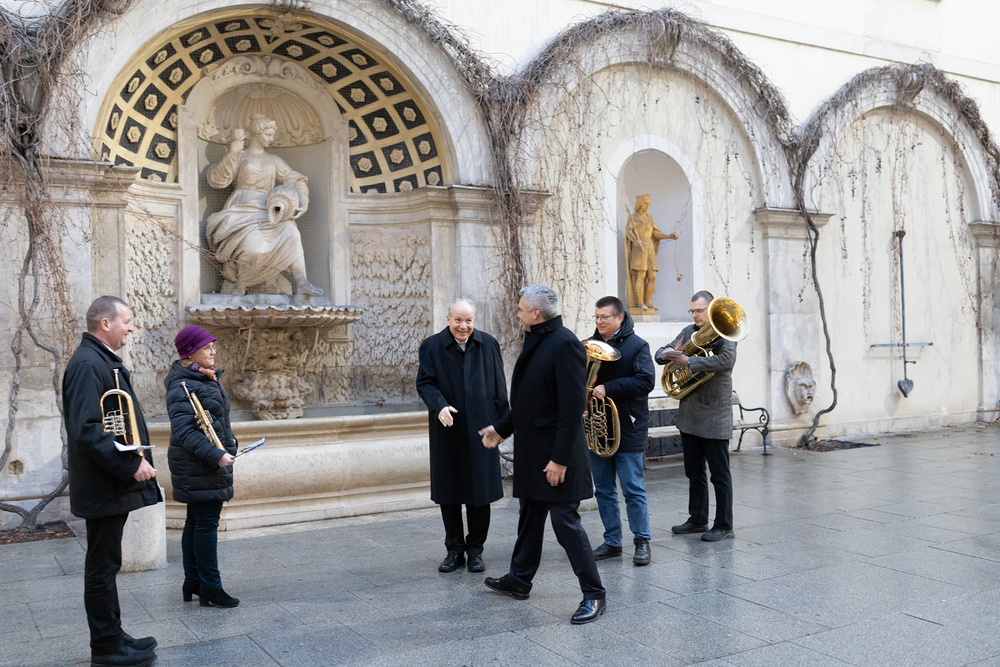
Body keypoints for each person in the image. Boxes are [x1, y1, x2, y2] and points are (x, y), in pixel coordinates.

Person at [480, 285, 606, 625]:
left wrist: (560, 459)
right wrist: (500, 429)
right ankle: (519, 580)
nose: (517, 312)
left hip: (556, 456)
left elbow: (571, 408)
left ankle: (594, 593)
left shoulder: (564, 344)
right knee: (530, 517)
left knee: (565, 524)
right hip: (535, 452)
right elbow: (527, 402)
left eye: (521, 308)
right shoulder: (538, 339)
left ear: (536, 313)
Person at [64, 296, 161, 667]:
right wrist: (130, 463)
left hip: (107, 483)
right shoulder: (89, 363)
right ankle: (105, 647)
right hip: (104, 483)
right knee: (102, 567)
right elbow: (88, 429)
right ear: (105, 323)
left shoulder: (100, 360)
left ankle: (114, 634)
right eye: (127, 320)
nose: (131, 327)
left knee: (108, 563)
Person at [416, 301, 508, 573]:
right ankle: (454, 550)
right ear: (448, 319)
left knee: (480, 492)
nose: (463, 326)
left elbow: (499, 386)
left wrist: (503, 426)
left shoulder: (488, 344)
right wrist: (439, 406)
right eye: (458, 320)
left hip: (483, 429)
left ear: (474, 320)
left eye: (468, 320)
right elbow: (425, 383)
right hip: (448, 429)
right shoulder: (431, 346)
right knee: (450, 492)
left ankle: (476, 551)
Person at [206, 113, 322, 297]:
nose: (271, 139)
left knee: (292, 232)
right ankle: (241, 283)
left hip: (268, 209)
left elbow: (296, 179)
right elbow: (217, 180)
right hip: (242, 207)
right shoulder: (241, 156)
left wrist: (303, 201)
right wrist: (233, 152)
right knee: (251, 244)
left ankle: (302, 281)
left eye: (272, 135)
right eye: (268, 134)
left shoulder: (274, 160)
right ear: (256, 133)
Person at [164, 325, 240, 608]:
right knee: (206, 524)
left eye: (212, 346)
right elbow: (184, 430)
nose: (213, 351)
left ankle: (193, 581)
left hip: (201, 463)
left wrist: (229, 441)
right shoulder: (184, 384)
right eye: (207, 347)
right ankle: (210, 586)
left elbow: (214, 419)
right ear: (190, 352)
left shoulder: (201, 377)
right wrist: (216, 455)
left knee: (196, 522)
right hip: (200, 465)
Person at [655, 290, 737, 541]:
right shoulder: (688, 332)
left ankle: (724, 525)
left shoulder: (725, 332)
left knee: (719, 475)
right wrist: (664, 354)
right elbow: (666, 349)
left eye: (699, 310)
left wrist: (689, 361)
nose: (694, 315)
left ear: (710, 310)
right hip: (690, 413)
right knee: (694, 472)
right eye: (691, 311)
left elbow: (726, 361)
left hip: (715, 413)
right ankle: (697, 520)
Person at [586, 296, 655, 565]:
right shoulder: (590, 345)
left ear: (619, 318)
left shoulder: (638, 346)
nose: (599, 321)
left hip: (629, 426)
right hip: (598, 428)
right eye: (596, 317)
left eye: (604, 317)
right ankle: (612, 541)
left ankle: (642, 541)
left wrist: (609, 388)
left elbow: (646, 381)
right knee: (603, 490)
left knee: (632, 489)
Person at [625, 194, 677, 309]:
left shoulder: (650, 218)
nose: (648, 205)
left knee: (652, 275)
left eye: (649, 203)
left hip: (649, 248)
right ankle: (640, 303)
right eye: (645, 203)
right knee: (641, 275)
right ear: (639, 204)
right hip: (639, 247)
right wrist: (635, 240)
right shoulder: (633, 217)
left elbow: (656, 234)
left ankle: (648, 301)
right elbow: (629, 231)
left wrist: (669, 236)